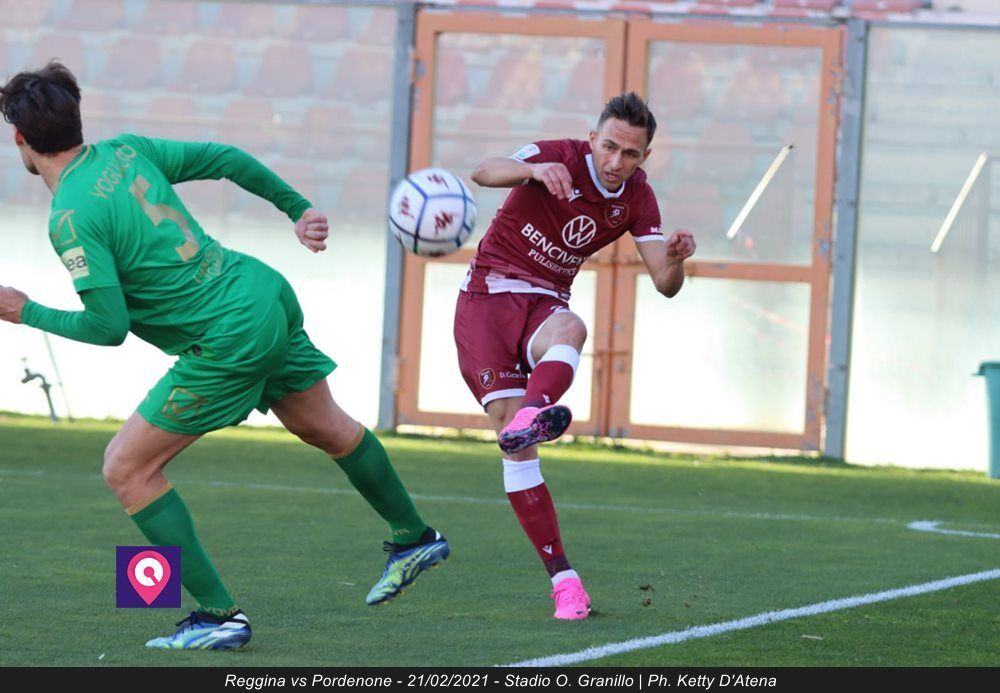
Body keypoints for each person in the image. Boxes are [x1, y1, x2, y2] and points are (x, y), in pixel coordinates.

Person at [0, 62, 449, 650]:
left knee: (126, 467)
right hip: (261, 290)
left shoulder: (72, 217)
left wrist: (25, 311)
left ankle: (218, 616)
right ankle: (415, 536)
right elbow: (225, 158)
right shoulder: (127, 151)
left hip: (227, 335)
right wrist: (296, 208)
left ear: (20, 139)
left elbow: (109, 328)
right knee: (328, 428)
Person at [457, 92, 696, 619]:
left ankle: (531, 412)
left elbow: (665, 283)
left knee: (572, 326)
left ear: (644, 157)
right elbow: (482, 171)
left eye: (630, 154)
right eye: (609, 147)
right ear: (592, 138)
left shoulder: (638, 198)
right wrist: (533, 170)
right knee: (517, 453)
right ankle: (564, 579)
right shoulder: (558, 155)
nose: (616, 163)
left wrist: (676, 260)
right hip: (487, 299)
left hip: (545, 300)